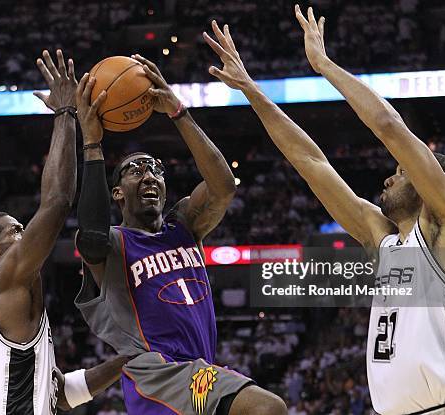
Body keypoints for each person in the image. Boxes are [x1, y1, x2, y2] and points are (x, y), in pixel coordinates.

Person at [203, 6, 445, 415]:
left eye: (400, 172)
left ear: (432, 187)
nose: (388, 179)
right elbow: (312, 163)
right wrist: (251, 89)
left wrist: (324, 65)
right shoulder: (385, 242)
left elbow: (389, 125)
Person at [73, 54, 288, 415]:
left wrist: (178, 111)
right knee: (268, 408)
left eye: (156, 169)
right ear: (118, 193)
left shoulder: (185, 226)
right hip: (159, 374)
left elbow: (223, 186)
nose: (149, 175)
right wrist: (93, 143)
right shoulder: (112, 243)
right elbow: (90, 233)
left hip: (196, 372)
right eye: (135, 170)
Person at [0, 49, 127, 415]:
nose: (25, 234)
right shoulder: (6, 284)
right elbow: (58, 201)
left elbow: (60, 394)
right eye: (15, 231)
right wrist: (66, 113)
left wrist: (130, 360)